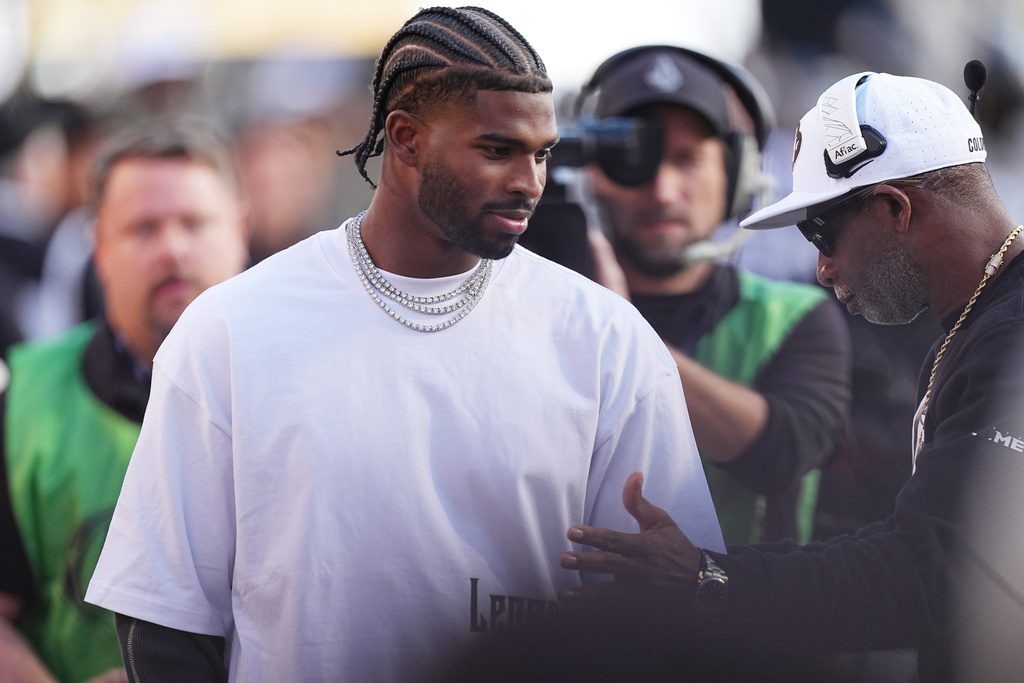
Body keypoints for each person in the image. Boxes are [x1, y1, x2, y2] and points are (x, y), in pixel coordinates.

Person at [84, 7, 723, 682]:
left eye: (542, 153)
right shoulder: (231, 329)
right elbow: (165, 615)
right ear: (407, 138)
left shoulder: (607, 339)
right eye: (497, 149)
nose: (530, 181)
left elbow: (663, 614)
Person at [558, 70, 1024, 682]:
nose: (823, 267)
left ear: (893, 208)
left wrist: (707, 579)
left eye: (820, 232)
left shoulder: (1010, 339)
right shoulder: (980, 326)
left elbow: (929, 572)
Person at [0, 120, 250, 682]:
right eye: (143, 228)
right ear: (100, 250)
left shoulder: (304, 391)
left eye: (194, 222)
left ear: (241, 230)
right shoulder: (23, 402)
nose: (173, 249)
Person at [577, 46, 852, 544]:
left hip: (735, 619)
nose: (662, 190)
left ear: (736, 177)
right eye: (636, 159)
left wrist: (623, 332)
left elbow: (780, 453)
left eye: (687, 159)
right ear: (592, 175)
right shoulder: (537, 304)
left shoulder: (795, 317)